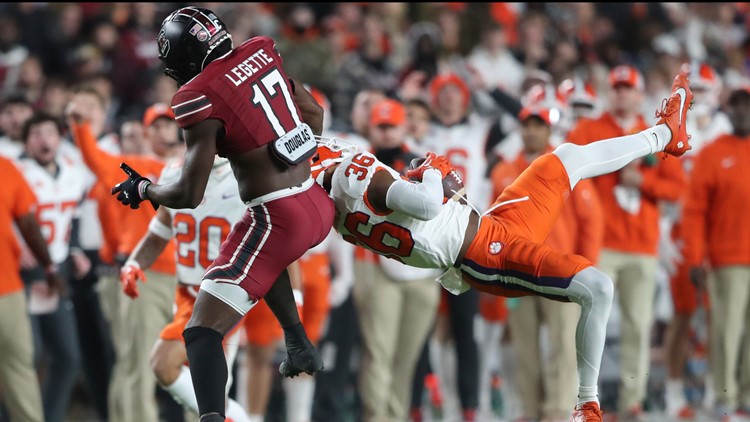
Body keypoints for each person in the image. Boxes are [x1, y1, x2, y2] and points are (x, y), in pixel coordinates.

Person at [311, 71, 694, 422]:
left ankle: (664, 135)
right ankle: (587, 405)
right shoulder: (354, 180)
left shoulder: (331, 191)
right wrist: (433, 170)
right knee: (598, 287)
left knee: (565, 158)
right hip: (483, 255)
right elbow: (428, 201)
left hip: (491, 225)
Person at [110, 7, 334, 421]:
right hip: (315, 202)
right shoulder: (262, 51)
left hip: (278, 214)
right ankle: (298, 341)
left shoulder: (197, 96)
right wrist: (293, 166)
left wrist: (144, 189)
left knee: (199, 332)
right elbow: (315, 117)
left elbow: (189, 193)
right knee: (264, 258)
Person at [566, 65, 687, 419]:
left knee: (638, 324)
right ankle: (585, 400)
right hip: (600, 242)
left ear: (639, 94)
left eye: (627, 88)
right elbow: (569, 172)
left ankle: (632, 400)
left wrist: (643, 184)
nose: (621, 94)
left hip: (642, 244)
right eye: (616, 88)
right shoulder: (589, 129)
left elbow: (677, 189)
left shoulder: (658, 131)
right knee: (590, 321)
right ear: (610, 92)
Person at [682, 86, 750, 421]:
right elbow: (694, 211)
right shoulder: (711, 153)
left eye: (747, 106)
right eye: (736, 106)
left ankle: (747, 396)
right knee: (726, 329)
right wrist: (695, 258)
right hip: (728, 259)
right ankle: (725, 396)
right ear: (728, 111)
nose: (742, 112)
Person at [0, 154, 63, 422]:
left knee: (20, 367)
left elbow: (27, 220)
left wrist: (49, 267)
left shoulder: (4, 166)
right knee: (19, 368)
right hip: (8, 288)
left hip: (8, 286)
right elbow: (26, 221)